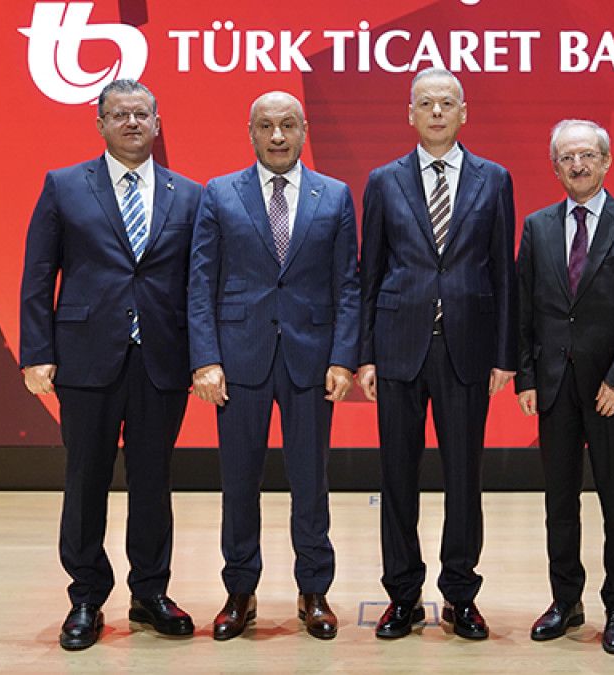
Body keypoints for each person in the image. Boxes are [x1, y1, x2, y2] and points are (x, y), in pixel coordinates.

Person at [19, 79, 203, 650]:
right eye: (119, 114)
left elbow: (199, 285)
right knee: (86, 478)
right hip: (85, 358)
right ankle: (85, 596)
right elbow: (38, 275)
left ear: (157, 124)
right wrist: (37, 352)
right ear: (99, 124)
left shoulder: (189, 194)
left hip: (161, 360)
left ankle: (150, 593)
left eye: (141, 114)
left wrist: (204, 357)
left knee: (153, 480)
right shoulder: (64, 186)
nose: (131, 123)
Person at [187, 91, 360, 641]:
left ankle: (314, 590)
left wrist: (343, 358)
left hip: (312, 359)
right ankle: (240, 591)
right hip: (239, 359)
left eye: (288, 125)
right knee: (239, 481)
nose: (278, 136)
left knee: (310, 481)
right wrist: (205, 359)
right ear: (251, 132)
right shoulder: (219, 193)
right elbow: (200, 282)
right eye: (266, 126)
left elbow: (348, 285)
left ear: (304, 129)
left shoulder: (335, 195)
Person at [357, 67, 517, 641]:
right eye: (426, 103)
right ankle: (402, 596)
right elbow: (369, 273)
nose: (437, 112)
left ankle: (460, 594)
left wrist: (506, 354)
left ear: (464, 112)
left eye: (447, 103)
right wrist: (365, 354)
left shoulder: (494, 179)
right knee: (397, 477)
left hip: (466, 349)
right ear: (410, 114)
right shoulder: (384, 180)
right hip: (398, 348)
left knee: (464, 479)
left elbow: (503, 272)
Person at [515, 119, 614, 654]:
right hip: (554, 387)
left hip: (612, 393)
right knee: (559, 503)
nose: (577, 165)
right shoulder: (537, 227)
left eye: (586, 155)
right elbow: (524, 309)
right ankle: (566, 601)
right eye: (566, 158)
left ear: (606, 161)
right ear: (554, 167)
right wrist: (527, 378)